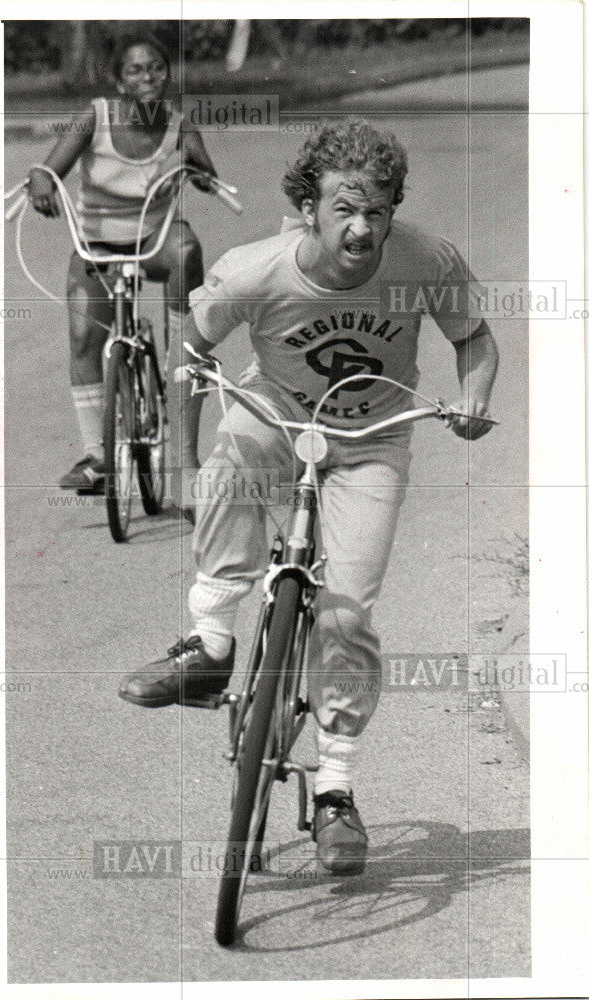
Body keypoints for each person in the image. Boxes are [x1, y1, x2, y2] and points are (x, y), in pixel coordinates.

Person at [119, 120, 499, 876]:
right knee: (231, 467)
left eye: (379, 212)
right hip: (277, 419)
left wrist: (473, 398)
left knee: (347, 615)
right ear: (308, 206)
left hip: (372, 442)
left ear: (395, 210)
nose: (362, 228)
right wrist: (183, 462)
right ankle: (211, 644)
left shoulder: (427, 260)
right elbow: (192, 350)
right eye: (344, 210)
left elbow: (473, 337)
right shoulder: (255, 270)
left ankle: (335, 789)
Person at [28, 32, 218, 493]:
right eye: (135, 70)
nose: (148, 77)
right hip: (97, 245)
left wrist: (197, 166)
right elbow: (47, 168)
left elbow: (210, 181)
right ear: (118, 80)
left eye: (156, 67)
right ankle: (98, 456)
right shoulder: (95, 116)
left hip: (153, 241)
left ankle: (179, 356)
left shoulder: (179, 125)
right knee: (81, 338)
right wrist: (42, 183)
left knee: (187, 250)